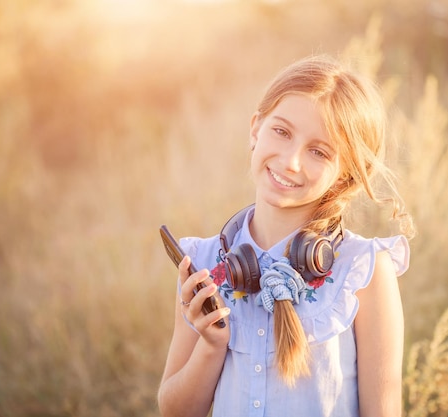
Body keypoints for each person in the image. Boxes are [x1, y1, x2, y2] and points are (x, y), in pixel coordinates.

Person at [157, 54, 414, 417]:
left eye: (318, 151)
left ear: (346, 174)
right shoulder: (202, 264)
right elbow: (174, 411)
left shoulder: (364, 270)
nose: (291, 161)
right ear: (255, 129)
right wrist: (211, 346)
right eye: (282, 131)